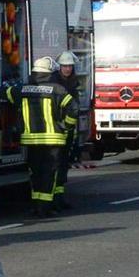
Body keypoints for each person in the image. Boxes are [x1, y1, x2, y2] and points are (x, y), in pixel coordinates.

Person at [0, 56, 77, 219]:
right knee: (49, 173)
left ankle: (37, 206)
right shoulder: (58, 89)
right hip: (54, 140)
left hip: (32, 141)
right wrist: (67, 126)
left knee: (35, 173)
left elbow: (4, 92)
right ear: (50, 72)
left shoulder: (23, 89)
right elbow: (73, 109)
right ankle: (45, 207)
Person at [53, 51, 82, 210]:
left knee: (64, 164)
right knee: (56, 164)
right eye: (65, 66)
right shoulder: (56, 84)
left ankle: (60, 196)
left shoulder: (73, 83)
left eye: (70, 66)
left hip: (69, 130)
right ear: (59, 67)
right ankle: (55, 199)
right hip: (58, 129)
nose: (68, 69)